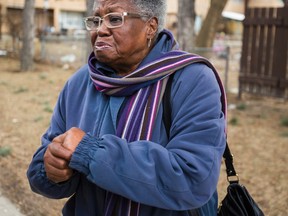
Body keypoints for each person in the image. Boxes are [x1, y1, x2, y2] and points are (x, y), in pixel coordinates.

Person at [27, 0, 226, 215]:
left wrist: (90, 152)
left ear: (150, 27)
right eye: (96, 20)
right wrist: (52, 170)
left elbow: (192, 179)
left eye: (114, 19)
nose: (101, 30)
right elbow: (41, 170)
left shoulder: (192, 80)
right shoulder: (80, 81)